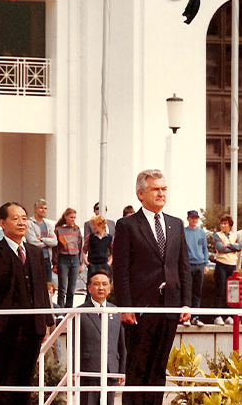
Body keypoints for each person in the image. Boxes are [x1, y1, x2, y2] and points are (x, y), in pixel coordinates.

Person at [113, 169, 191, 405]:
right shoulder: (127, 225)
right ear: (140, 194)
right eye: (155, 189)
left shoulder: (176, 224)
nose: (161, 193)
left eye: (164, 189)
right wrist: (125, 307)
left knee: (158, 369)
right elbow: (121, 269)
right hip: (140, 310)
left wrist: (185, 302)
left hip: (169, 308)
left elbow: (183, 266)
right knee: (137, 368)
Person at [0, 202, 54, 405]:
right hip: (6, 325)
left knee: (27, 379)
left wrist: (46, 321)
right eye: (15, 218)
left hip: (34, 325)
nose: (21, 222)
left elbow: (41, 290)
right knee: (8, 377)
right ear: (2, 223)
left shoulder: (36, 252)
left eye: (24, 218)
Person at [75, 269, 126, 405]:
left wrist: (121, 370)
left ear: (110, 288)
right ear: (89, 288)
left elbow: (121, 344)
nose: (101, 287)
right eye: (96, 284)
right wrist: (74, 370)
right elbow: (74, 344)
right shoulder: (80, 312)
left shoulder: (115, 311)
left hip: (111, 370)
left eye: (104, 284)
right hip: (88, 370)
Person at [213, 214, 242, 326]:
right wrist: (232, 247)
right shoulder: (217, 235)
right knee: (220, 289)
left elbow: (239, 247)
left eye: (225, 223)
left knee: (231, 291)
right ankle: (218, 315)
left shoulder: (234, 235)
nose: (223, 225)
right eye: (222, 223)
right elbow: (220, 248)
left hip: (232, 265)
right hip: (221, 264)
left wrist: (228, 245)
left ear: (230, 225)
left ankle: (229, 315)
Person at [52, 208, 84, 309]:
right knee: (62, 287)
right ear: (65, 217)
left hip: (74, 259)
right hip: (63, 259)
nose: (73, 219)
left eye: (74, 218)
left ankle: (69, 309)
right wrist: (55, 263)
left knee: (72, 288)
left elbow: (80, 246)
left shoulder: (77, 229)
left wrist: (80, 263)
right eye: (71, 217)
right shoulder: (58, 230)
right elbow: (55, 248)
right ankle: (60, 309)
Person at [183, 210, 209, 327]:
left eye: (196, 218)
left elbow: (205, 248)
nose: (194, 220)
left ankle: (195, 316)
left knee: (197, 292)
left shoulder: (201, 233)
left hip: (200, 264)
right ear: (188, 219)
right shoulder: (183, 232)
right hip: (188, 264)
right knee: (187, 291)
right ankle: (186, 316)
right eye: (192, 218)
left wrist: (206, 264)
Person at [25, 198, 57, 283]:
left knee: (48, 285)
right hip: (34, 258)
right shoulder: (29, 224)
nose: (43, 210)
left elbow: (54, 242)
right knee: (36, 283)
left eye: (45, 208)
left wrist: (42, 239)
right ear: (35, 209)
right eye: (41, 208)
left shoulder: (48, 225)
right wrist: (48, 242)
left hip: (47, 259)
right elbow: (33, 242)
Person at [84, 215, 113, 279]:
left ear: (101, 225)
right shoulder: (90, 237)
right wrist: (86, 262)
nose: (93, 227)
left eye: (95, 225)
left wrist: (109, 263)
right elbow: (84, 249)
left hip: (104, 264)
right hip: (93, 264)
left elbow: (113, 251)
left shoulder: (109, 238)